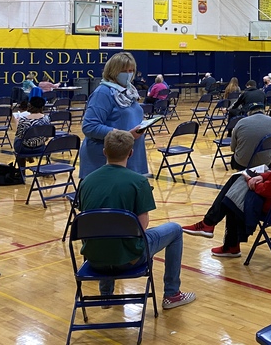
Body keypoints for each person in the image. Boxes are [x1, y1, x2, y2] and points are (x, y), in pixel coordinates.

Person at [78, 129, 195, 309]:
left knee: (103, 229)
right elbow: (141, 227)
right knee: (175, 229)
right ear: (131, 153)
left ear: (104, 151)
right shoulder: (138, 182)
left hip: (94, 260)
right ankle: (172, 294)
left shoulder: (86, 182)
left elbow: (90, 221)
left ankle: (106, 296)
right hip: (129, 260)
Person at [182, 111, 271, 258]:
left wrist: (254, 184)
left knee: (234, 196)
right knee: (237, 182)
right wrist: (261, 176)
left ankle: (222, 237)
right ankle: (212, 228)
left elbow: (270, 191)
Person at [80, 51, 148, 178]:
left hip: (130, 157)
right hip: (105, 161)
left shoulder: (129, 91)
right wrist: (123, 135)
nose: (128, 74)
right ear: (113, 71)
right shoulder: (103, 93)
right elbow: (89, 126)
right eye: (124, 71)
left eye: (131, 70)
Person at [229, 103, 271, 170]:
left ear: (249, 112)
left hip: (243, 163)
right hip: (266, 162)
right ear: (264, 111)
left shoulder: (241, 122)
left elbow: (233, 148)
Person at [13, 96, 51, 173]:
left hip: (24, 148)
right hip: (40, 148)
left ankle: (22, 172)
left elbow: (19, 135)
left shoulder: (24, 119)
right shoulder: (47, 119)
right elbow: (47, 137)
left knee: (18, 140)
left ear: (30, 105)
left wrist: (17, 123)